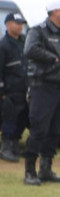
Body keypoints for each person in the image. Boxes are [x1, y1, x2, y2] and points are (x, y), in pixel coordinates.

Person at [21, 0, 60, 185]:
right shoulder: (38, 31)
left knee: (54, 130)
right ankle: (30, 170)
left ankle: (46, 168)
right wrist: (52, 58)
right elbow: (29, 49)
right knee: (39, 129)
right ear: (55, 12)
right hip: (43, 87)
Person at [1, 11, 29, 162]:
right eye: (17, 23)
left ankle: (14, 145)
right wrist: (2, 92)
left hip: (24, 90)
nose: (20, 27)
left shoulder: (25, 43)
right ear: (8, 24)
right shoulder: (3, 45)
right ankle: (5, 147)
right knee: (9, 119)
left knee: (23, 118)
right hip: (9, 92)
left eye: (21, 24)